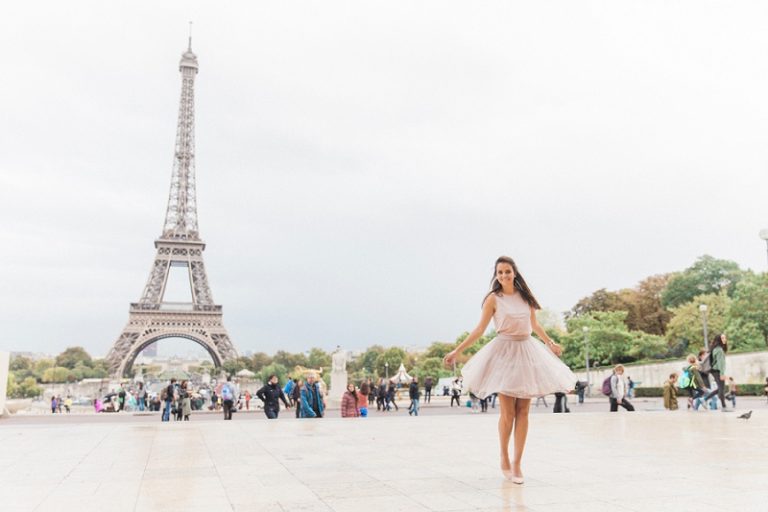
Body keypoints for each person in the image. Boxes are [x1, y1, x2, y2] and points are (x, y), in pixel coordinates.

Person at [443, 256, 575, 484]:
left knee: (524, 411)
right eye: (500, 272)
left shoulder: (526, 298)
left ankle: (517, 463)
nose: (504, 275)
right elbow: (479, 330)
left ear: (514, 273)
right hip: (504, 354)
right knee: (508, 413)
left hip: (527, 353)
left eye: (507, 271)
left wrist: (550, 343)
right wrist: (457, 351)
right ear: (496, 275)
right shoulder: (493, 299)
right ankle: (503, 454)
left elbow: (535, 326)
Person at [703, 334, 730, 411]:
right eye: (722, 338)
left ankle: (705, 399)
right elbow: (721, 363)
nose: (725, 339)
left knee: (720, 389)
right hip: (718, 371)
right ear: (719, 340)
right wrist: (722, 374)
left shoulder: (715, 349)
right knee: (721, 389)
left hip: (714, 371)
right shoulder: (719, 350)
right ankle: (724, 407)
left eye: (725, 337)